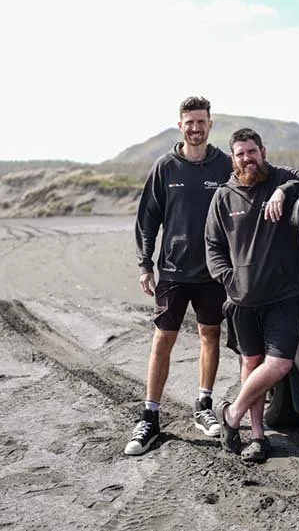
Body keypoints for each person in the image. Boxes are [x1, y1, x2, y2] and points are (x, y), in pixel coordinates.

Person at [205, 127, 299, 463]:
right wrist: (228, 280)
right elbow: (213, 246)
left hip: (283, 295)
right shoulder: (224, 195)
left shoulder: (282, 177)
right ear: (233, 159)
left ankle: (231, 415)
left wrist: (284, 190)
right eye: (240, 154)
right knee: (251, 363)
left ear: (263, 151)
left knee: (278, 364)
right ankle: (258, 438)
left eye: (252, 151)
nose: (247, 158)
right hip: (242, 299)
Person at [126, 96, 233, 456]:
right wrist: (145, 264)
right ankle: (150, 416)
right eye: (189, 122)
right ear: (181, 125)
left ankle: (204, 406)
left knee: (210, 334)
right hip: (172, 270)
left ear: (210, 124)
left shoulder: (224, 166)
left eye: (201, 122)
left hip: (212, 272)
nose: (195, 128)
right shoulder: (165, 167)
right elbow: (147, 220)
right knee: (163, 339)